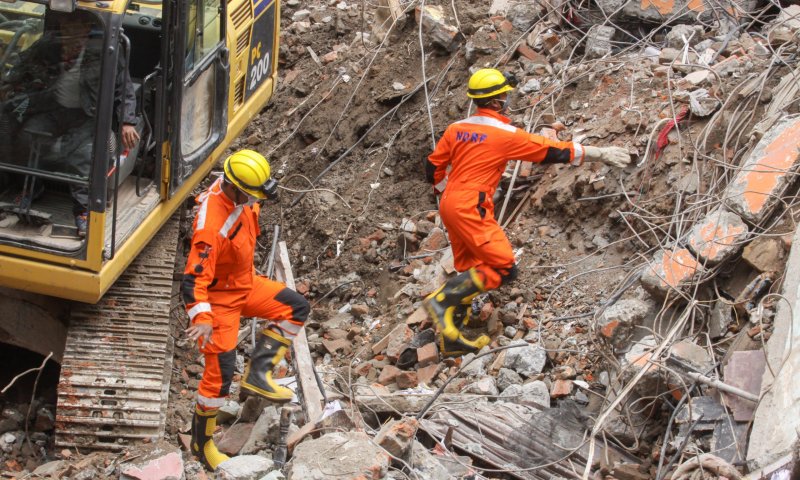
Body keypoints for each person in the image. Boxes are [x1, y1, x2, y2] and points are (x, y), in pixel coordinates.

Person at [423, 68, 631, 357]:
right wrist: (599, 152)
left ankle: (454, 337)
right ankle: (442, 302)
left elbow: (432, 167)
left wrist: (446, 194)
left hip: (450, 204)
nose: (508, 99)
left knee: (469, 267)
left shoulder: (456, 128)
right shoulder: (505, 134)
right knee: (504, 267)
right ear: (497, 102)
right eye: (505, 95)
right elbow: (552, 150)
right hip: (472, 205)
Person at [182, 149, 310, 471]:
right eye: (252, 196)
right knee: (219, 376)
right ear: (234, 187)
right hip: (220, 300)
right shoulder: (210, 226)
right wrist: (202, 317)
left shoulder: (244, 194)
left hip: (245, 283)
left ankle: (258, 373)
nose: (257, 201)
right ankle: (201, 444)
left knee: (296, 307)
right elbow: (193, 280)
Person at [2, 10, 139, 236]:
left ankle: (84, 210)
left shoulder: (105, 52)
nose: (70, 33)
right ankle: (31, 187)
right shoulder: (51, 45)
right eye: (66, 27)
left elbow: (122, 88)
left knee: (82, 153)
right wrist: (9, 83)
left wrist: (127, 121)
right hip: (54, 109)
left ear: (87, 29)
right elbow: (23, 63)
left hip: (89, 114)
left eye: (76, 28)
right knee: (26, 136)